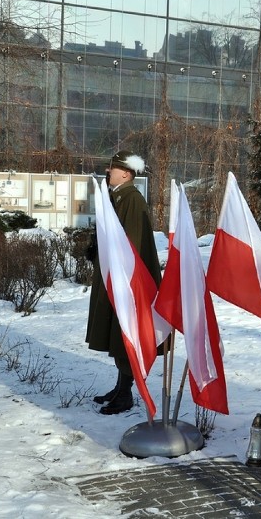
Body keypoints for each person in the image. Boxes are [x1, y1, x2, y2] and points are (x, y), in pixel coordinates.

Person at [85, 150, 162, 415]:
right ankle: (121, 387)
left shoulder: (131, 199)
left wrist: (121, 274)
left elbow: (131, 243)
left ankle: (126, 393)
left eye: (113, 168)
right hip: (115, 276)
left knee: (124, 331)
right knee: (116, 333)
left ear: (126, 173)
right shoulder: (118, 197)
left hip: (126, 280)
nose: (108, 171)